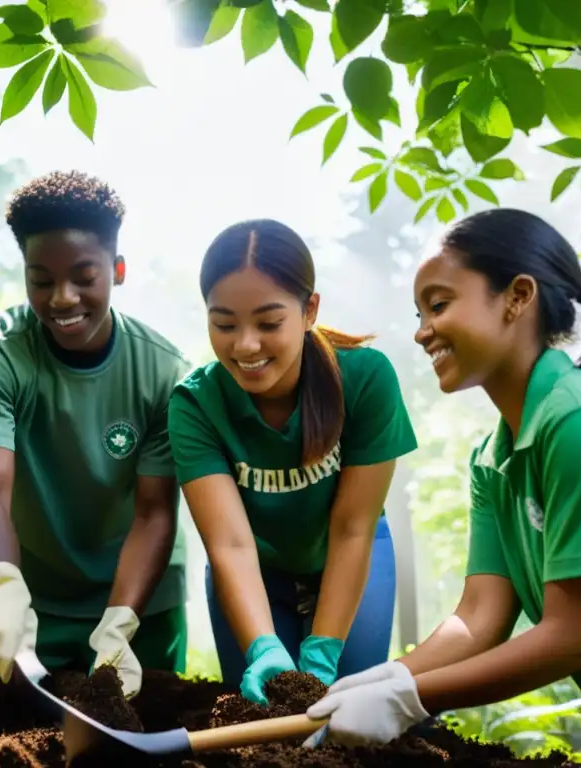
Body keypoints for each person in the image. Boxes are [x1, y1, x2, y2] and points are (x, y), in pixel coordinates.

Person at [305, 208, 581, 768]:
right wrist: (391, 677)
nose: (423, 330)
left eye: (440, 304)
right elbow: (479, 616)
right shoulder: (493, 460)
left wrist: (410, 699)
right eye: (419, 311)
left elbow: (577, 635)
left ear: (517, 297)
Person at [0, 170, 191, 698]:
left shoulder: (162, 372)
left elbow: (155, 512)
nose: (63, 298)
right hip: (33, 602)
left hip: (140, 608)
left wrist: (120, 624)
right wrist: (0, 587)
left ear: (118, 270)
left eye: (84, 276)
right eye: (41, 280)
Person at [167, 219, 417, 705]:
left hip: (349, 555)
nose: (245, 345)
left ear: (309, 311)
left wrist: (321, 653)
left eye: (268, 323)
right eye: (224, 324)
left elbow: (352, 528)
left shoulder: (365, 379)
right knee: (264, 717)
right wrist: (263, 646)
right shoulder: (195, 405)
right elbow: (231, 544)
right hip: (254, 569)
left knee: (346, 713)